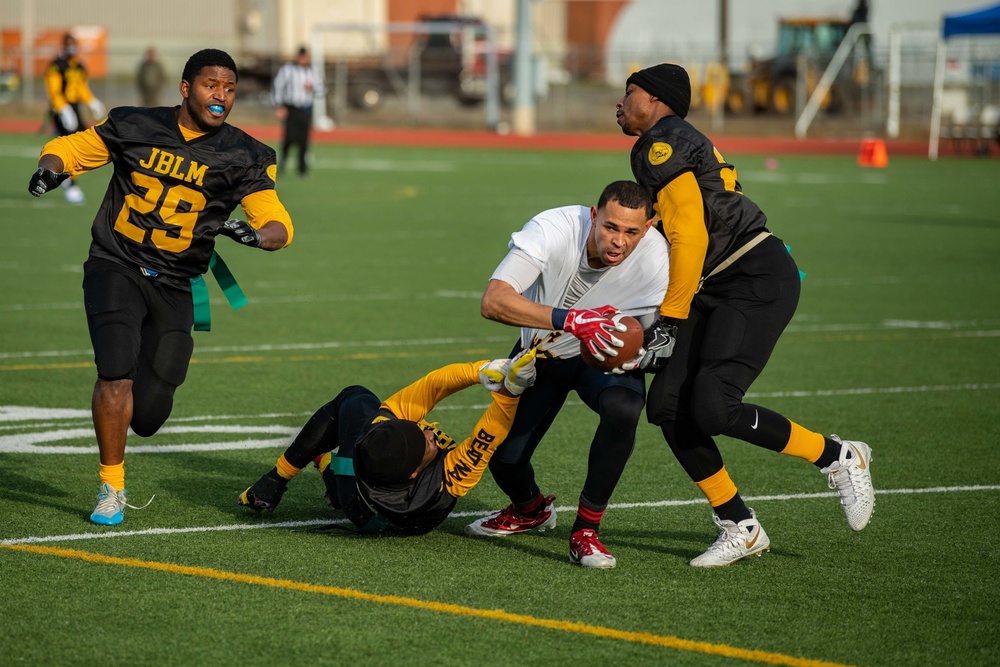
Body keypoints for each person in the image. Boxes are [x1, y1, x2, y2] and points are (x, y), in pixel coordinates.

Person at [614, 63, 875, 567]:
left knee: (713, 405)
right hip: (715, 284)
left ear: (656, 99)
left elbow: (690, 233)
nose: (620, 105)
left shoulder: (658, 144)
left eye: (629, 94)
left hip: (751, 276)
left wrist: (668, 321)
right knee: (668, 406)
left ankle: (839, 456)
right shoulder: (674, 140)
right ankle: (739, 524)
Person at [27, 48, 294, 527]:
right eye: (212, 85)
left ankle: (127, 428)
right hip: (117, 262)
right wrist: (51, 167)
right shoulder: (135, 125)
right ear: (186, 88)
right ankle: (112, 485)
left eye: (230, 89)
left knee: (148, 414)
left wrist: (256, 235)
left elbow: (277, 221)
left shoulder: (245, 154)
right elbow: (70, 149)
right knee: (115, 370)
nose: (221, 97)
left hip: (178, 281)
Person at [463, 180, 670, 569]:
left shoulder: (656, 256)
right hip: (542, 351)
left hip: (601, 356)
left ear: (648, 228)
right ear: (593, 216)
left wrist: (641, 356)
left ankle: (586, 532)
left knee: (624, 409)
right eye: (611, 227)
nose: (619, 242)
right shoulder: (553, 229)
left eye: (632, 232)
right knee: (504, 458)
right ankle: (530, 510)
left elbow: (664, 332)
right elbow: (494, 301)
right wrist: (572, 320)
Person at [238, 350, 537, 535]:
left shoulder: (375, 436)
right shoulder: (448, 481)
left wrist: (481, 371)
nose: (430, 433)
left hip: (356, 496)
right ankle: (327, 466)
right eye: (427, 441)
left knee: (355, 400)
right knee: (356, 423)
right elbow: (488, 434)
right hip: (405, 520)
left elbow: (431, 388)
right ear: (413, 473)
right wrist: (509, 392)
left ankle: (277, 480)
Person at [44, 32, 105, 204]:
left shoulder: (78, 66)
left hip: (76, 108)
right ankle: (69, 184)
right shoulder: (57, 65)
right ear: (64, 45)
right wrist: (62, 108)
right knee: (69, 146)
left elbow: (81, 88)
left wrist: (91, 101)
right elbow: (54, 90)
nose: (73, 48)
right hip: (62, 109)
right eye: (70, 44)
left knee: (86, 144)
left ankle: (70, 180)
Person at [271, 47, 324, 178]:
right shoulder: (288, 70)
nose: (303, 60)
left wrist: (313, 87)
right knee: (289, 137)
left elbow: (322, 89)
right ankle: (282, 165)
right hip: (291, 108)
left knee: (304, 140)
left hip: (305, 109)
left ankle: (302, 169)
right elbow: (278, 87)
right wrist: (279, 106)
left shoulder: (312, 71)